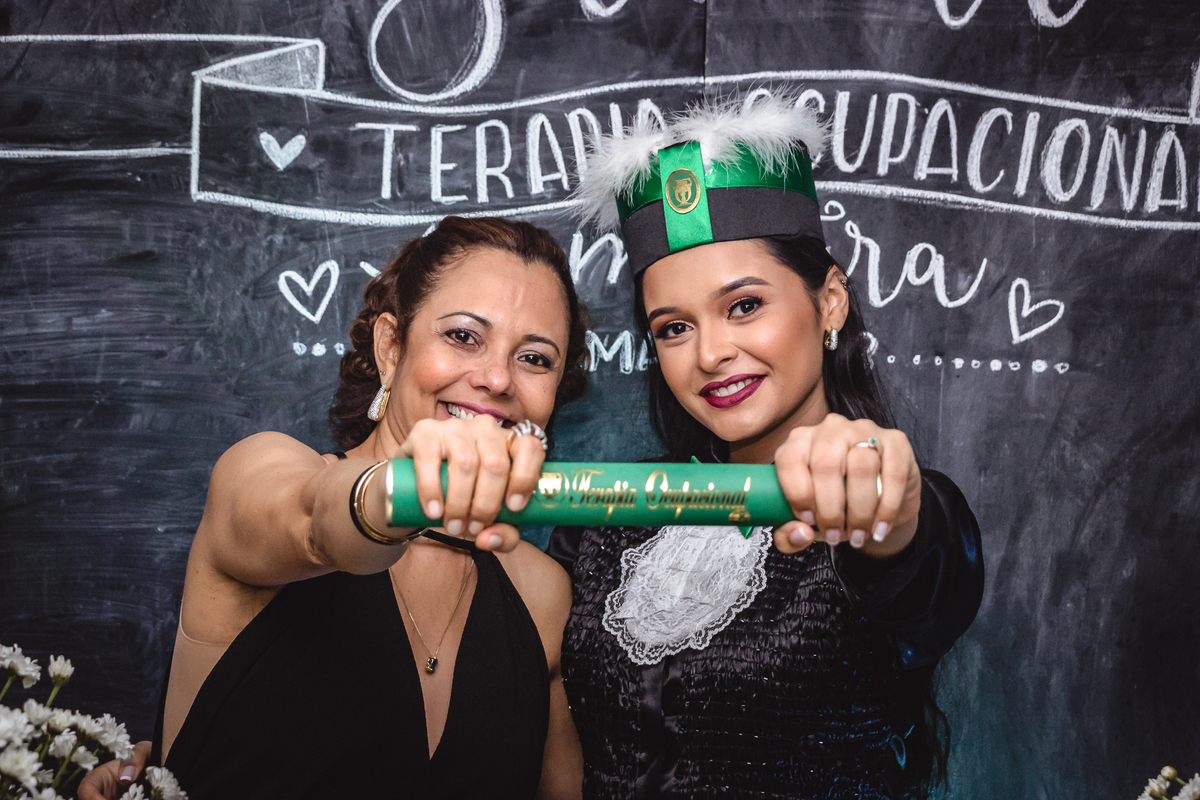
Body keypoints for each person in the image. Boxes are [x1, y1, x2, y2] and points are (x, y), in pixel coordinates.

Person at [548, 93, 985, 799]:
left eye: (744, 306)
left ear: (829, 300)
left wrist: (885, 494)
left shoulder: (881, 502)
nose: (710, 353)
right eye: (674, 328)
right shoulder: (608, 515)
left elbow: (915, 542)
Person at [81, 216, 588, 800]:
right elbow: (318, 519)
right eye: (463, 336)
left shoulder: (542, 594)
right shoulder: (258, 472)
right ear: (391, 347)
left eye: (535, 359)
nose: (497, 378)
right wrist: (402, 491)